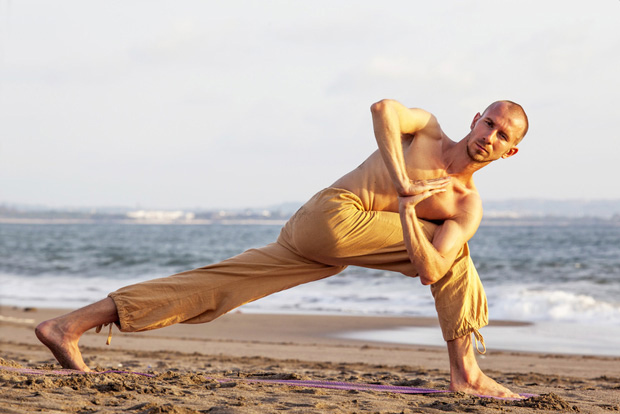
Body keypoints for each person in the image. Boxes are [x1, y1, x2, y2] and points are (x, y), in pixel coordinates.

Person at [36, 98, 529, 398]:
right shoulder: (427, 129)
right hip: (331, 214)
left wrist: (404, 211)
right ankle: (465, 374)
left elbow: (430, 270)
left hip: (321, 247)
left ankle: (66, 326)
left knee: (217, 287)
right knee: (457, 258)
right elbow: (382, 109)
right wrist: (402, 185)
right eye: (489, 122)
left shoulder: (465, 206)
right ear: (475, 118)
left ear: (511, 153)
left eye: (502, 135)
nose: (489, 136)